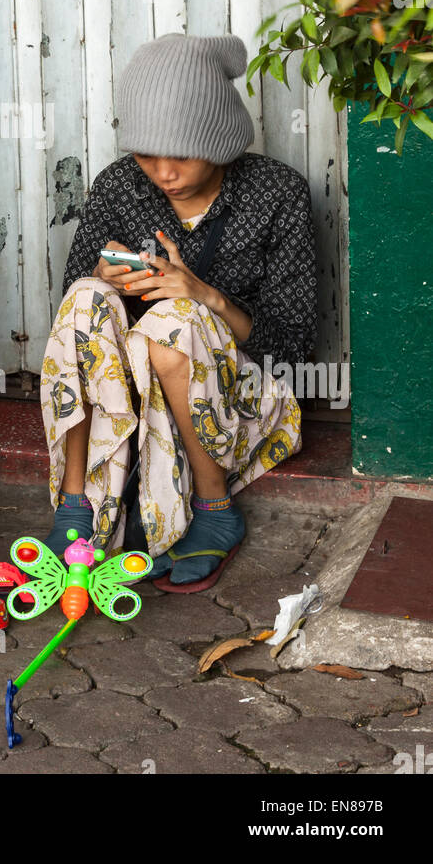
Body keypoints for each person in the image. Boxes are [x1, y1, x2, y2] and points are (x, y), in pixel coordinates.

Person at [39, 33, 317, 591]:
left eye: (182, 156)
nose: (163, 172)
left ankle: (215, 509)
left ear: (218, 140)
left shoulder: (276, 193)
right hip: (130, 396)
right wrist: (106, 279)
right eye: (147, 155)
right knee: (85, 299)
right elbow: (73, 318)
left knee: (176, 322)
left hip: (233, 398)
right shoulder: (119, 185)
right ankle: (77, 503)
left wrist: (204, 295)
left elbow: (290, 347)